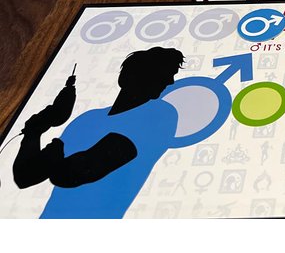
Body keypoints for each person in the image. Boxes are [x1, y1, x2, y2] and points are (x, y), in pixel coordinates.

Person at [13, 46, 184, 218]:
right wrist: (34, 133)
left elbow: (71, 174)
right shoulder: (87, 119)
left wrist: (52, 155)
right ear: (128, 76)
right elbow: (25, 177)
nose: (170, 81)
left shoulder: (159, 115)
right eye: (163, 73)